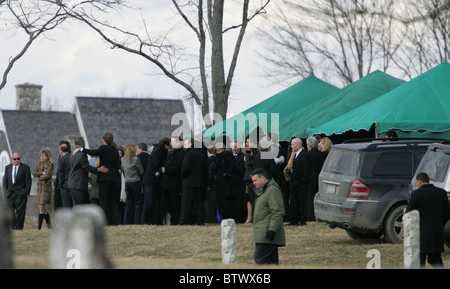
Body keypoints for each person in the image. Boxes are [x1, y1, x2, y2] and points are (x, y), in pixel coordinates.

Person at [405, 172, 450, 267]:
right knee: (435, 259)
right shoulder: (441, 193)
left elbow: (409, 212)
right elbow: (447, 213)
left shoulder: (417, 194)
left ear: (419, 182)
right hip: (437, 232)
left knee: (420, 261)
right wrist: (440, 223)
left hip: (421, 233)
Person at [81, 132, 122, 225]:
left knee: (104, 201)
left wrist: (81, 149)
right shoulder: (115, 150)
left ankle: (105, 221)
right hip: (114, 179)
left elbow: (93, 152)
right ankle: (115, 221)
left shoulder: (103, 149)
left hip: (104, 179)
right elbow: (118, 165)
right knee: (113, 201)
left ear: (103, 140)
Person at [251, 168, 286, 265]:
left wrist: (272, 230)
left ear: (262, 178)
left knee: (260, 258)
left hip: (267, 233)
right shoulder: (264, 191)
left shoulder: (272, 191)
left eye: (255, 180)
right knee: (271, 263)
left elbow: (277, 211)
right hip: (263, 233)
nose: (253, 183)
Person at [68, 137, 108, 206]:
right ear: (82, 143)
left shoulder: (72, 154)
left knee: (77, 205)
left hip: (72, 183)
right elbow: (86, 166)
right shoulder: (82, 155)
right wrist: (98, 170)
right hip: (79, 184)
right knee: (81, 206)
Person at [179, 137, 208, 225]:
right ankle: (199, 221)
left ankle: (184, 221)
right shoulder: (201, 155)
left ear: (191, 144)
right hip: (199, 182)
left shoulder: (188, 154)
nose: (184, 145)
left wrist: (182, 175)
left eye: (186, 143)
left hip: (189, 182)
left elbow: (185, 168)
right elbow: (205, 170)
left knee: (186, 203)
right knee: (198, 203)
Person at [141, 137, 171, 225]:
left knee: (150, 202)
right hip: (151, 180)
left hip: (151, 180)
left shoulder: (158, 150)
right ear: (166, 145)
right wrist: (160, 170)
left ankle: (148, 221)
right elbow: (156, 164)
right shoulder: (159, 151)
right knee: (149, 202)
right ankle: (146, 221)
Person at [2, 152, 32, 230]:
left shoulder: (25, 168)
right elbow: (5, 180)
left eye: (18, 159)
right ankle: (11, 227)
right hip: (10, 194)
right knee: (10, 212)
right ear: (12, 159)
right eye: (15, 159)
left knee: (20, 213)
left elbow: (28, 181)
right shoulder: (8, 168)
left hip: (21, 194)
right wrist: (5, 192)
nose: (16, 160)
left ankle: (18, 228)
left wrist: (26, 192)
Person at [159, 137, 185, 225]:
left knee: (174, 202)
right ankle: (174, 218)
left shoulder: (181, 153)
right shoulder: (171, 152)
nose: (171, 143)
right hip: (167, 182)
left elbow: (178, 167)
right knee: (166, 201)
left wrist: (166, 169)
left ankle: (175, 220)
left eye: (173, 141)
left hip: (174, 182)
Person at [304, 136, 326, 221]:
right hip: (320, 179)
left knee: (310, 199)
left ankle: (311, 216)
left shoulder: (306, 155)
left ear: (308, 145)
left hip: (310, 180)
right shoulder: (323, 154)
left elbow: (306, 169)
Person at [121, 144, 145, 224]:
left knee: (128, 203)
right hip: (135, 182)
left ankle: (126, 222)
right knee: (138, 203)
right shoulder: (135, 159)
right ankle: (137, 222)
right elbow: (141, 171)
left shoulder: (123, 159)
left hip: (127, 182)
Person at [32, 147, 54, 230]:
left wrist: (40, 176)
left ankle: (39, 226)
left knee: (41, 206)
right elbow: (34, 173)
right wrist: (41, 173)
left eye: (44, 156)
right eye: (41, 156)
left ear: (47, 157)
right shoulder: (39, 164)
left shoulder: (50, 165)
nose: (42, 157)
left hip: (46, 189)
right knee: (42, 207)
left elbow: (47, 175)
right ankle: (49, 225)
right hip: (39, 188)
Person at [214, 142, 236, 220]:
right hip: (223, 183)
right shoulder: (226, 157)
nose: (218, 152)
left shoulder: (226, 157)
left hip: (226, 183)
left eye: (219, 150)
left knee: (225, 201)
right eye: (216, 151)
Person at [289, 137, 307, 226]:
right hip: (294, 183)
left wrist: (300, 181)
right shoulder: (296, 155)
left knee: (301, 202)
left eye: (292, 144)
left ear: (298, 145)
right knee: (294, 202)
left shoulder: (303, 155)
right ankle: (294, 220)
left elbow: (305, 170)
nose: (291, 146)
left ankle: (302, 220)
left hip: (300, 184)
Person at [55, 141, 72, 209]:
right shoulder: (72, 157)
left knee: (66, 204)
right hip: (73, 183)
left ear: (61, 150)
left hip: (65, 184)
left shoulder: (62, 159)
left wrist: (60, 184)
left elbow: (60, 173)